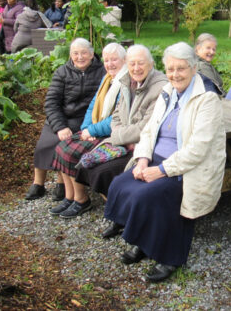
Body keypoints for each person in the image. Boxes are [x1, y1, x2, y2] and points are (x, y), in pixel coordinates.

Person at [102, 42, 226, 283]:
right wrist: (142, 159)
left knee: (149, 196)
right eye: (170, 69)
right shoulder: (168, 92)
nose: (175, 74)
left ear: (193, 68)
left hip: (187, 167)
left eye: (181, 69)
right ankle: (145, 242)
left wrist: (159, 171)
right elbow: (149, 130)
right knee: (120, 185)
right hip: (156, 159)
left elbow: (198, 149)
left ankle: (170, 257)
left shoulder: (207, 99)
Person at [50, 44, 167, 218]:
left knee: (89, 163)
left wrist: (107, 134)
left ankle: (93, 204)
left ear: (151, 64)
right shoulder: (119, 80)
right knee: (63, 147)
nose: (135, 68)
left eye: (140, 63)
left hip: (133, 141)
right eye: (132, 63)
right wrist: (86, 129)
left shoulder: (152, 86)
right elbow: (112, 113)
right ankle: (72, 197)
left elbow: (142, 127)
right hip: (119, 135)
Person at [25, 38, 105, 201]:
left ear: (91, 54)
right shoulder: (62, 72)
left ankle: (62, 184)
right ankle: (38, 184)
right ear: (70, 55)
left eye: (84, 53)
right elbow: (51, 102)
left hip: (83, 120)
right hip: (61, 117)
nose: (80, 57)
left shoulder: (102, 72)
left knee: (64, 145)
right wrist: (60, 126)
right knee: (44, 144)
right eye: (75, 53)